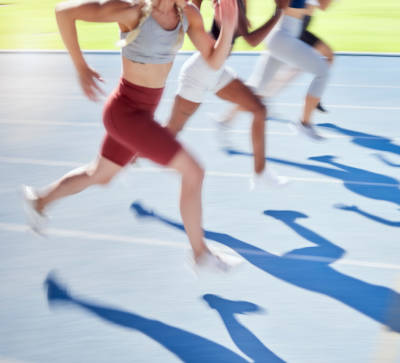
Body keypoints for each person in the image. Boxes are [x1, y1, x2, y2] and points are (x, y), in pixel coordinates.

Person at [22, 0, 241, 272]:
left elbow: (213, 60)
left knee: (100, 175)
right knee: (193, 172)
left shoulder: (188, 14)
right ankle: (200, 254)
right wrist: (81, 68)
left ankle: (40, 200)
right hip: (124, 114)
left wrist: (228, 27)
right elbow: (64, 12)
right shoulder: (133, 12)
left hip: (142, 115)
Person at [166, 0, 289, 189]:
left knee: (259, 110)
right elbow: (251, 40)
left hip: (216, 71)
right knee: (170, 132)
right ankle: (127, 152)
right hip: (199, 73)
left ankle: (260, 172)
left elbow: (243, 32)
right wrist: (279, 12)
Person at [222, 0, 333, 141]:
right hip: (283, 39)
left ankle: (225, 120)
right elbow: (320, 6)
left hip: (281, 37)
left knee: (258, 88)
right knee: (322, 72)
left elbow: (317, 7)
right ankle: (304, 123)